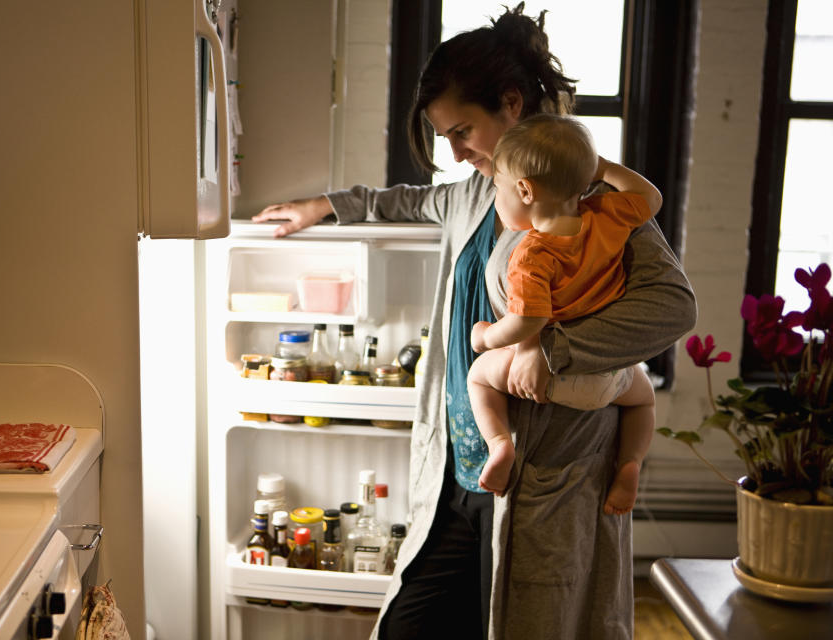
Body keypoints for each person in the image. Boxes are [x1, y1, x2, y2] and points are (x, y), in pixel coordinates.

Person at [252, 4, 695, 639]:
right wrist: (326, 204)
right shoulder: (475, 193)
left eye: (463, 132)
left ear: (511, 104)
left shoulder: (588, 202)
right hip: (459, 476)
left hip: (548, 482)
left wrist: (555, 353)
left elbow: (672, 306)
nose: (456, 154)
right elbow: (406, 199)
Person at [467, 114, 659, 519]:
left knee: (480, 376)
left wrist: (485, 337)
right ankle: (631, 463)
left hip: (554, 376)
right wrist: (604, 169)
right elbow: (651, 198)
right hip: (607, 376)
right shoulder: (607, 216)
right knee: (643, 399)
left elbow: (528, 322)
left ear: (523, 189)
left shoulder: (532, 253)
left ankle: (500, 444)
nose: (498, 201)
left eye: (498, 190)